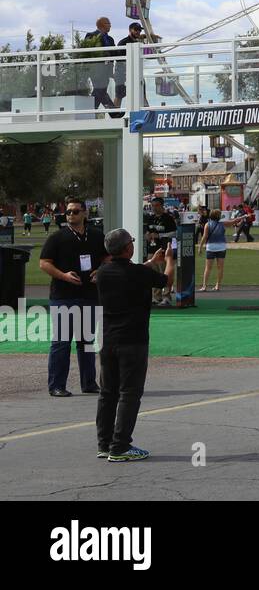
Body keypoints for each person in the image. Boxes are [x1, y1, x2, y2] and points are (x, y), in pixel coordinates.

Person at [94, 227, 170, 461]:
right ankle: (121, 446)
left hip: (108, 341)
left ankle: (105, 443)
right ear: (128, 248)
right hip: (133, 341)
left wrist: (150, 262)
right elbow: (166, 281)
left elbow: (130, 272)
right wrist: (169, 261)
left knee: (108, 393)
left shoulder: (103, 272)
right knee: (129, 393)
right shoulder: (138, 274)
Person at [39, 198, 105, 397]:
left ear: (84, 213)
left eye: (75, 211)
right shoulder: (57, 238)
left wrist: (100, 271)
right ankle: (56, 385)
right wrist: (64, 276)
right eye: (68, 212)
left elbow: (108, 258)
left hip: (89, 295)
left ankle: (89, 383)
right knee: (61, 341)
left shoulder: (96, 235)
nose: (71, 215)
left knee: (86, 341)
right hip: (63, 297)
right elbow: (44, 263)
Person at [143, 196, 177, 307]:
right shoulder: (150, 218)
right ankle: (155, 297)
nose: (154, 208)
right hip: (151, 249)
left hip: (163, 249)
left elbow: (173, 233)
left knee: (164, 273)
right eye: (153, 205)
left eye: (157, 205)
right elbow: (147, 231)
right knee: (153, 273)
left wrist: (159, 235)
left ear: (162, 206)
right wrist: (147, 235)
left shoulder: (168, 218)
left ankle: (166, 297)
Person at [197, 207, 240, 292]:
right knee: (220, 268)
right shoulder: (222, 224)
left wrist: (200, 247)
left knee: (208, 268)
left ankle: (204, 286)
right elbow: (234, 221)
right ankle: (218, 286)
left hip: (211, 247)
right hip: (221, 247)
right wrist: (243, 217)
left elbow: (204, 237)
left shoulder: (207, 224)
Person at [84, 17, 121, 112]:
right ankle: (113, 112)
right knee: (100, 90)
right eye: (108, 23)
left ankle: (92, 111)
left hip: (107, 70)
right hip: (96, 69)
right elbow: (88, 53)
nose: (110, 25)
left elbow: (115, 53)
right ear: (101, 25)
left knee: (101, 91)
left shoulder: (110, 39)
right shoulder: (91, 36)